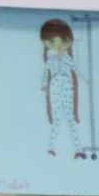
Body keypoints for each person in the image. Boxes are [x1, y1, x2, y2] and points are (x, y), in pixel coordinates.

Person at [38, 18, 80, 157]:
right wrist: (44, 84)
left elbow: (76, 71)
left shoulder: (68, 59)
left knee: (69, 117)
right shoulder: (50, 60)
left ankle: (78, 150)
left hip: (67, 84)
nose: (57, 45)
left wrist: (86, 80)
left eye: (63, 41)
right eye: (51, 42)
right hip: (55, 85)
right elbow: (46, 73)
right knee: (57, 118)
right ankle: (51, 148)